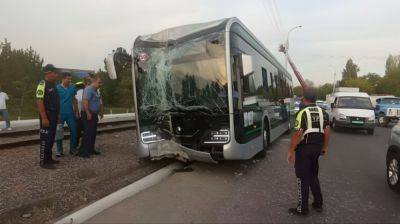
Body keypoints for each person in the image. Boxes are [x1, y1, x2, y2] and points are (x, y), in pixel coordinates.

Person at [287, 88, 331, 216]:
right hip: (317, 148)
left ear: (303, 98)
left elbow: (298, 133)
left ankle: (302, 209)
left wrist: (291, 150)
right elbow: (327, 131)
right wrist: (325, 147)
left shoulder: (302, 112)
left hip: (304, 149)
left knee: (302, 178)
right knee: (313, 176)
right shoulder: (324, 113)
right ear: (315, 98)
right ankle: (318, 203)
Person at [36, 64, 60, 169]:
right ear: (49, 73)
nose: (56, 75)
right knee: (45, 139)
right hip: (47, 116)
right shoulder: (42, 84)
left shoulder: (53, 84)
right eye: (55, 73)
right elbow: (39, 101)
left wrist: (57, 115)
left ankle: (49, 158)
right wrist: (44, 117)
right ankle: (43, 162)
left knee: (51, 138)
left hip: (54, 115)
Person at [80, 76, 103, 158]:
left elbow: (99, 101)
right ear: (94, 81)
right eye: (99, 82)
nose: (100, 84)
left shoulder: (96, 90)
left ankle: (91, 149)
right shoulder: (89, 89)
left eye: (101, 82)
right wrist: (88, 113)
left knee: (92, 133)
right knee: (88, 133)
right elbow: (85, 101)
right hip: (88, 114)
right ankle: (84, 152)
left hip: (94, 114)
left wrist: (100, 112)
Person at [56, 73, 79, 157]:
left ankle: (72, 149)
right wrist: (56, 114)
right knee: (59, 132)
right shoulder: (57, 88)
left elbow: (74, 100)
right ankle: (59, 150)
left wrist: (77, 112)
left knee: (74, 131)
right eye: (68, 79)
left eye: (70, 79)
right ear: (63, 79)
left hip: (70, 113)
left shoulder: (73, 87)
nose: (70, 80)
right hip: (60, 114)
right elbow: (55, 102)